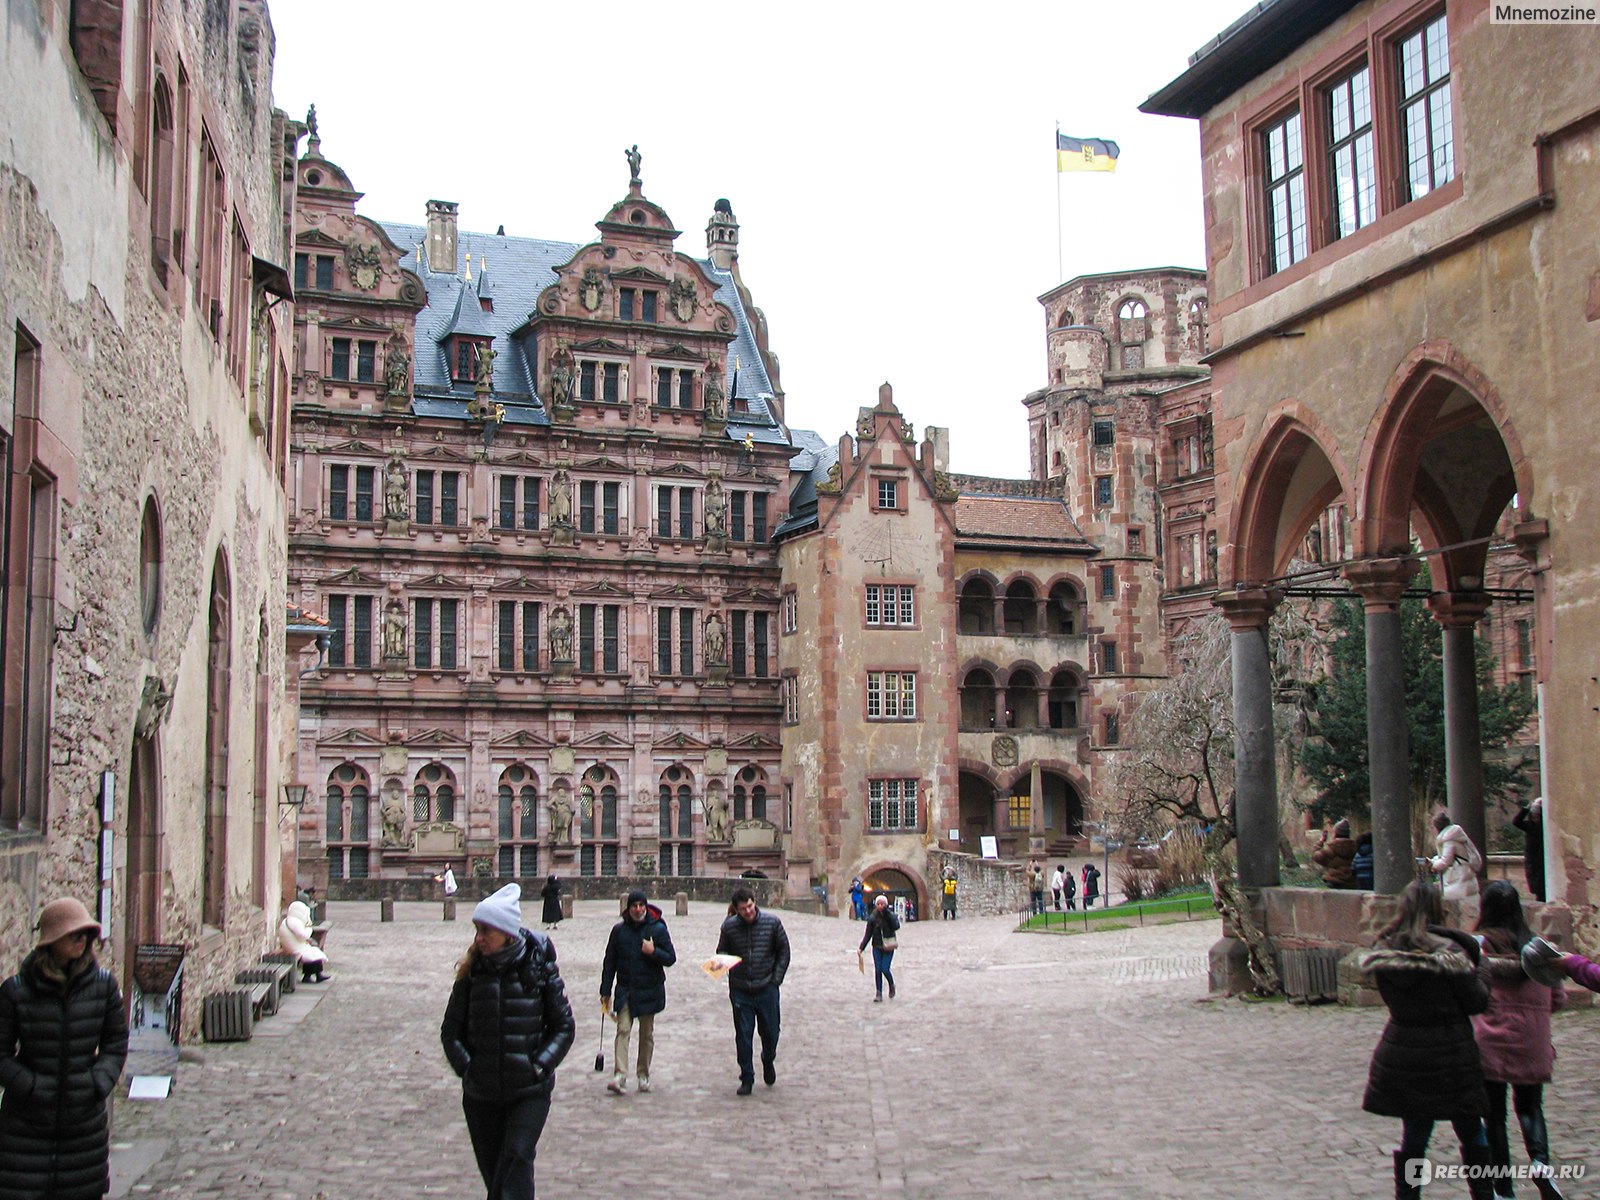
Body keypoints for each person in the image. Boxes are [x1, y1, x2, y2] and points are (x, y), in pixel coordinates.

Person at [1359, 880, 1494, 1200]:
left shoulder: (1386, 952)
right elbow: (1476, 1002)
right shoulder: (1453, 953)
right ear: (1437, 909)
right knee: (1472, 1131)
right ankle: (1484, 1193)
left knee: (1416, 1136)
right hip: (1451, 1052)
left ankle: (1409, 1195)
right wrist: (1484, 967)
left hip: (1405, 1049)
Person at [441, 884, 574, 1200]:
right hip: (481, 1092)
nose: (478, 938)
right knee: (498, 1176)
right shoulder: (472, 973)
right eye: (477, 930)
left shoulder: (539, 968)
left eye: (486, 930)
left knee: (515, 1158)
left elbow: (564, 1026)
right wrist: (469, 1069)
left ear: (507, 933)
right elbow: (450, 1032)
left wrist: (539, 1066)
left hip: (528, 1091)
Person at [0, 897, 129, 1200]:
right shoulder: (16, 992)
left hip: (83, 1131)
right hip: (25, 1131)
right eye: (73, 933)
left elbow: (115, 1043)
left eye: (85, 933)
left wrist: (96, 1083)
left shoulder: (103, 987)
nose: (81, 939)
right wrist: (30, 1087)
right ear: (52, 939)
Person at [1473, 882, 1567, 1199]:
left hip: (1491, 1041)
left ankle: (1504, 1189)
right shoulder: (1539, 950)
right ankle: (1540, 1163)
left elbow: (1472, 996)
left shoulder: (1480, 949)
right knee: (1530, 1107)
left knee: (1495, 1117)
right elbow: (1558, 999)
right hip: (1531, 1041)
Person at [715, 886, 790, 1096]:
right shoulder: (729, 927)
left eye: (749, 906)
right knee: (744, 1035)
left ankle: (768, 1059)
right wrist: (723, 963)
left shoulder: (772, 923)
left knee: (771, 1032)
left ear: (754, 903)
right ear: (736, 910)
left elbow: (784, 950)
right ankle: (746, 1076)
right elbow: (721, 951)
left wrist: (776, 979)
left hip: (767, 987)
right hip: (741, 990)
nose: (748, 911)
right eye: (743, 909)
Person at [600, 890, 676, 1095]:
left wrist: (654, 952)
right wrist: (605, 990)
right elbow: (610, 962)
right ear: (628, 908)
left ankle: (643, 1074)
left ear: (646, 906)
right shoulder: (619, 931)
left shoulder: (658, 929)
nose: (638, 909)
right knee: (623, 1030)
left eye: (641, 905)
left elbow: (670, 958)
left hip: (649, 989)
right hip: (626, 989)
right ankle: (620, 1075)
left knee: (646, 1034)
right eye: (634, 905)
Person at [1431, 811, 1485, 927]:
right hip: (1465, 874)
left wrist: (1432, 864)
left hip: (1458, 877)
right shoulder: (1456, 835)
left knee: (1455, 905)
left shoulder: (1449, 840)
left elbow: (1446, 861)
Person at [857, 894, 900, 1001]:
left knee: (885, 969)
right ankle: (879, 993)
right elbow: (868, 934)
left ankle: (891, 985)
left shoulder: (890, 915)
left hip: (888, 946)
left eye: (882, 904)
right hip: (877, 946)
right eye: (878, 904)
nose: (880, 906)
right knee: (877, 970)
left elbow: (896, 926)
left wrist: (888, 914)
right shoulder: (872, 918)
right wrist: (861, 948)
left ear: (886, 904)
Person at [278, 899, 331, 983]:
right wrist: (309, 930)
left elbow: (297, 936)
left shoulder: (291, 920)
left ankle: (317, 974)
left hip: (295, 946)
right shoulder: (294, 921)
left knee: (314, 952)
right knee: (312, 955)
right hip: (295, 949)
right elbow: (302, 935)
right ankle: (308, 976)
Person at [1512, 798, 1546, 902]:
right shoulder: (1529, 826)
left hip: (1541, 860)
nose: (1535, 817)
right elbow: (1516, 821)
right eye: (1533, 815)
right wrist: (1527, 808)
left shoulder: (1543, 827)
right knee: (1536, 887)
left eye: (1537, 815)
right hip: (1532, 861)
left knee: (1542, 888)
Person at [1313, 819, 1358, 888]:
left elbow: (1316, 857)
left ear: (1335, 833)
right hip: (1353, 882)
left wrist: (1320, 842)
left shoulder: (1330, 849)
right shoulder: (1355, 848)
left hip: (1334, 882)